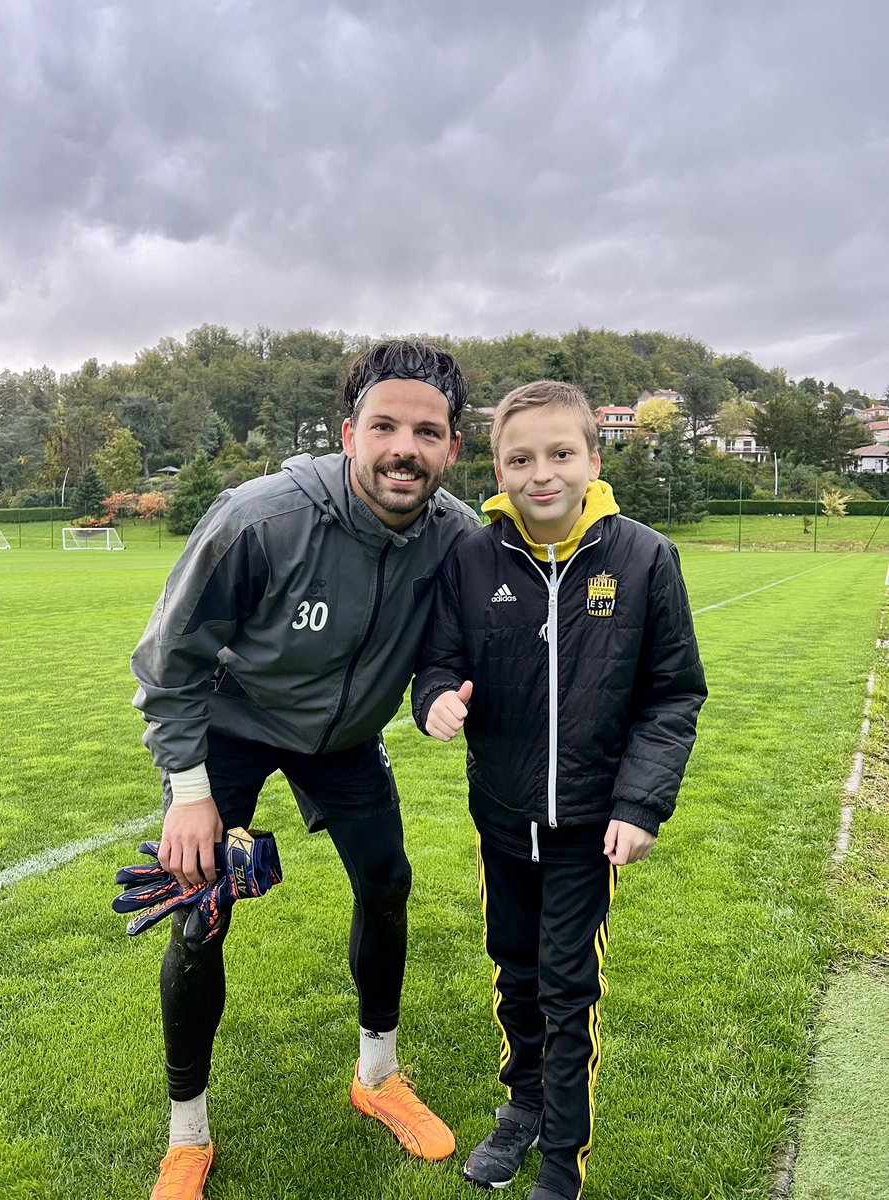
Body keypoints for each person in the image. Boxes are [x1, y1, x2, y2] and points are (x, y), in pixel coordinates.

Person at [128, 339, 481, 1200]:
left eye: (427, 432)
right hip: (234, 729)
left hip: (347, 740)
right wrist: (190, 793)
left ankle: (378, 1075)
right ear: (348, 432)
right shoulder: (261, 518)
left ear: (452, 449)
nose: (406, 447)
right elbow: (167, 659)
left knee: (388, 883)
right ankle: (187, 1133)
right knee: (201, 915)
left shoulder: (458, 539)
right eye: (386, 425)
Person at [411, 381, 706, 1200]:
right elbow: (438, 660)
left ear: (593, 460)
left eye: (559, 453)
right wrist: (433, 697)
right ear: (498, 468)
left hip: (589, 826)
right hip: (502, 818)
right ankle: (524, 1103)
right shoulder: (469, 557)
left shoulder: (643, 557)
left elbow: (672, 695)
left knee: (569, 987)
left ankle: (559, 1166)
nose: (540, 474)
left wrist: (640, 804)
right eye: (519, 458)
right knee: (515, 972)